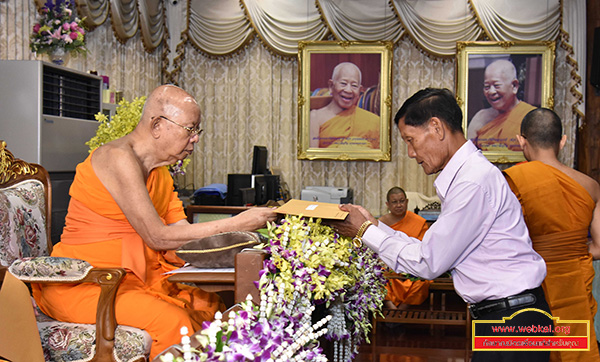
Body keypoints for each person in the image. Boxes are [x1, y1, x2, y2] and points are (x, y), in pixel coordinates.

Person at [31, 85, 278, 359]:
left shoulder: (160, 173)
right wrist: (237, 224)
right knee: (176, 323)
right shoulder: (116, 158)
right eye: (190, 129)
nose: (195, 139)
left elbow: (182, 234)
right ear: (158, 125)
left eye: (198, 131)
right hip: (92, 284)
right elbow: (158, 237)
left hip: (139, 280)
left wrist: (243, 241)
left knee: (215, 305)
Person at [330, 88, 552, 362]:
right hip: (506, 315)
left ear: (436, 127)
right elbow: (432, 249)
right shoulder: (466, 177)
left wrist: (365, 232)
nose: (411, 153)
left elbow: (429, 262)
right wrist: (374, 225)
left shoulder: (471, 182)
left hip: (513, 320)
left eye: (410, 140)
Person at [503, 108, 600, 362]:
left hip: (531, 286)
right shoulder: (590, 186)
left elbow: (502, 243)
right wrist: (569, 251)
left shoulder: (514, 180)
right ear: (563, 140)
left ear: (521, 140)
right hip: (575, 283)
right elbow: (599, 248)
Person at [378, 187, 430, 310]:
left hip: (412, 266)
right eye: (394, 202)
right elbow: (377, 249)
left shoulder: (419, 222)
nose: (399, 205)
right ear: (388, 205)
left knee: (422, 282)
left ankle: (399, 312)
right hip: (389, 267)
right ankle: (391, 309)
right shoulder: (381, 223)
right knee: (378, 277)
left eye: (402, 201)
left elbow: (424, 249)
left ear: (407, 202)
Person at [467, 59, 536, 151]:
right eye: (487, 87)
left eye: (497, 85)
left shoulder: (531, 116)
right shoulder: (480, 117)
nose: (491, 92)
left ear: (514, 86)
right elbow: (469, 153)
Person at [309, 62, 380, 149]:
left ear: (360, 90)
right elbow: (312, 159)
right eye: (343, 83)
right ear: (331, 86)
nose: (348, 90)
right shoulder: (315, 118)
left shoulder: (374, 122)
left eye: (354, 85)